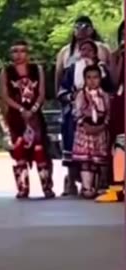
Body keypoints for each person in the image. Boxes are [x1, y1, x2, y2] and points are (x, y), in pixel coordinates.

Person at [0, 41, 55, 199]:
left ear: (28, 53)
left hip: (35, 115)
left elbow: (42, 92)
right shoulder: (7, 71)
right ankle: (23, 187)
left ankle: (47, 186)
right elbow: (5, 95)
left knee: (40, 149)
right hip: (16, 116)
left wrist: (33, 109)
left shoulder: (37, 70)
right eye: (15, 51)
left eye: (22, 51)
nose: (19, 55)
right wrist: (21, 109)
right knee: (19, 150)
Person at [58, 39, 114, 195]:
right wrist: (74, 98)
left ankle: (100, 184)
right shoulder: (72, 69)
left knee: (100, 156)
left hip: (101, 121)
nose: (86, 53)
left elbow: (111, 90)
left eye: (89, 50)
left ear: (95, 52)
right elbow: (62, 92)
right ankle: (75, 183)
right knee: (79, 154)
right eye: (82, 50)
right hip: (78, 119)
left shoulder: (102, 70)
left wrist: (104, 121)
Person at [96, 21, 125, 203]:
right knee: (119, 144)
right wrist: (121, 58)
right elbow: (114, 80)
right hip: (121, 101)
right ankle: (117, 187)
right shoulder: (116, 55)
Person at [71, 65, 110, 199]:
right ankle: (86, 187)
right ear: (84, 79)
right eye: (88, 78)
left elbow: (108, 113)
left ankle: (95, 187)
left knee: (96, 160)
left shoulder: (104, 95)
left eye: (95, 77)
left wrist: (103, 125)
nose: (92, 81)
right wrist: (84, 123)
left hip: (99, 131)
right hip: (85, 130)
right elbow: (76, 112)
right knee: (85, 160)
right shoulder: (81, 95)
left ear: (100, 78)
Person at [55, 16, 110, 93]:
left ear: (92, 30)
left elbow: (110, 74)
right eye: (78, 27)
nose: (81, 30)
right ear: (74, 31)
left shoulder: (103, 48)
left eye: (86, 27)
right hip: (72, 95)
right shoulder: (65, 51)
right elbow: (59, 77)